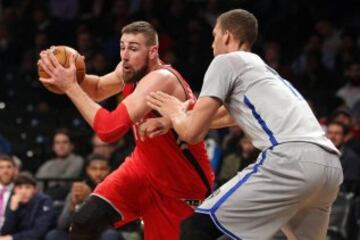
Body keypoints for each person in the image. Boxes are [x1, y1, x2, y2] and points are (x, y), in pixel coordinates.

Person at [146, 9, 343, 239]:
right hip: (329, 166)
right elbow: (228, 116)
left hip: (292, 161)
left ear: (227, 36)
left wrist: (175, 111)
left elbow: (191, 133)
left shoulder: (225, 62)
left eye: (214, 36)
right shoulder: (264, 72)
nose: (212, 45)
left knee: (195, 229)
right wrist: (173, 120)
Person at [38, 21, 214, 240]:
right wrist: (67, 73)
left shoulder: (161, 78)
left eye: (133, 48)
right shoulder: (130, 69)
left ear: (153, 52)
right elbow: (99, 88)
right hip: (141, 169)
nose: (125, 55)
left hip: (180, 186)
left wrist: (70, 87)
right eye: (122, 47)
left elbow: (108, 129)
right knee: (84, 222)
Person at [45, 154, 124, 240]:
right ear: (87, 170)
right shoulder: (79, 189)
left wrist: (89, 198)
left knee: (110, 235)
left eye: (103, 169)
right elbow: (62, 225)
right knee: (54, 235)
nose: (98, 173)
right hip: (78, 233)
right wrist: (72, 205)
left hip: (100, 234)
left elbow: (111, 223)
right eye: (94, 169)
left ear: (109, 170)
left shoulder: (114, 190)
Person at [0, 172, 55, 240]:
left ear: (35, 189)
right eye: (19, 188)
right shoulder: (13, 200)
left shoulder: (44, 201)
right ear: (14, 190)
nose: (23, 192)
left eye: (27, 187)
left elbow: (39, 231)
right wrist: (13, 210)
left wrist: (13, 237)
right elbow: (5, 232)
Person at [36, 128, 84, 200]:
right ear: (53, 147)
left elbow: (65, 182)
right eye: (57, 143)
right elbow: (38, 184)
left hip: (64, 197)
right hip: (45, 196)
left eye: (64, 142)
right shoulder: (47, 165)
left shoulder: (77, 160)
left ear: (71, 145)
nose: (61, 146)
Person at [0, 155, 16, 231]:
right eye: (1, 167)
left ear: (15, 170)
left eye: (9, 167)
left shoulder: (20, 192)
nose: (5, 171)